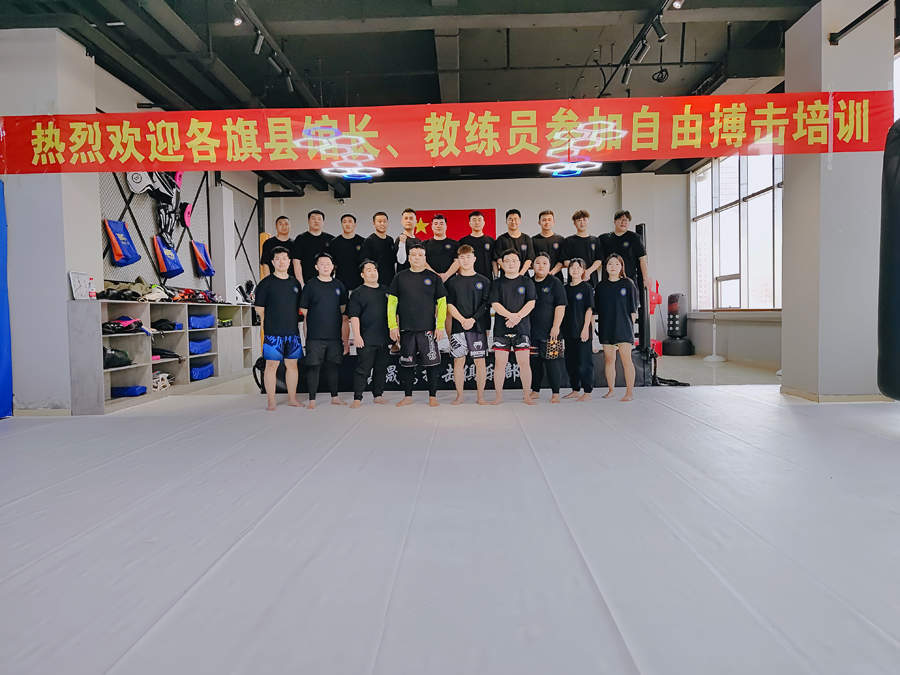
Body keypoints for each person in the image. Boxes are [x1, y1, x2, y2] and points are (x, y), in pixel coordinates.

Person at [387, 243, 447, 407]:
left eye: (420, 255)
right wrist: (393, 325)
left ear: (425, 258)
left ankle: (432, 397)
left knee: (432, 364)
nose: (417, 258)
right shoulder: (400, 277)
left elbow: (442, 303)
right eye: (414, 255)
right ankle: (408, 396)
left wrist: (440, 326)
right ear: (409, 257)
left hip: (428, 329)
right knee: (408, 364)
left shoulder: (433, 278)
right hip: (406, 329)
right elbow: (392, 303)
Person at [253, 247, 303, 411]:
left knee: (292, 365)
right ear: (273, 262)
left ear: (289, 261)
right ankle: (271, 401)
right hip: (273, 333)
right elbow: (260, 309)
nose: (281, 262)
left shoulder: (295, 283)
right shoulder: (266, 284)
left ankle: (292, 398)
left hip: (292, 332)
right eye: (278, 259)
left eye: (284, 258)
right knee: (271, 366)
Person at [299, 252, 348, 409]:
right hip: (315, 336)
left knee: (333, 366)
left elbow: (343, 310)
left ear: (333, 266)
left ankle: (335, 397)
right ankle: (312, 399)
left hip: (334, 336)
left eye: (328, 264)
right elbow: (304, 310)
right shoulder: (310, 285)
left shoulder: (338, 285)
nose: (325, 266)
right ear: (316, 267)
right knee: (314, 367)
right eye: (322, 264)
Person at [489, 250, 536, 405]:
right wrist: (510, 316)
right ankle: (498, 396)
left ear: (519, 263)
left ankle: (527, 396)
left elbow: (531, 303)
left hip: (522, 329)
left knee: (524, 363)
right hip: (501, 329)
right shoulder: (497, 283)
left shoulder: (526, 281)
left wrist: (517, 318)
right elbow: (495, 303)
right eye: (507, 261)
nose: (511, 264)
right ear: (502, 264)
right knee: (499, 364)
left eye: (514, 260)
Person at [446, 244, 491, 405]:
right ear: (458, 260)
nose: (465, 260)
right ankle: (460, 395)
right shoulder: (452, 282)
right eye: (462, 257)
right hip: (458, 327)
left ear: (474, 259)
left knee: (480, 362)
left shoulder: (484, 281)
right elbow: (449, 304)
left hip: (477, 327)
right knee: (458, 361)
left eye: (468, 257)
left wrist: (472, 320)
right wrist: (462, 320)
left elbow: (486, 305)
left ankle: (480, 396)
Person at [348, 260, 391, 408]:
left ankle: (378, 395)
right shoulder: (358, 293)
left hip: (384, 338)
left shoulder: (386, 291)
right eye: (369, 270)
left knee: (381, 369)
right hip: (366, 338)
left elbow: (393, 313)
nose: (373, 273)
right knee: (363, 369)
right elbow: (354, 316)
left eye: (374, 270)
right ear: (362, 274)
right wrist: (357, 336)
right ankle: (357, 398)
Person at [596, 253, 639, 401]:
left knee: (626, 360)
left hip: (623, 328)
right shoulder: (601, 286)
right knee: (609, 360)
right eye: (610, 264)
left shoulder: (628, 284)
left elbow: (633, 310)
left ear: (621, 267)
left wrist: (629, 327)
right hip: (606, 327)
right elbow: (597, 309)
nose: (613, 266)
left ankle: (629, 393)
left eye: (616, 264)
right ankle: (611, 390)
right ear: (605, 267)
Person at [529, 252, 567, 404]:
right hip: (531, 331)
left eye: (544, 263)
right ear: (533, 265)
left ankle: (555, 393)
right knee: (535, 362)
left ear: (549, 265)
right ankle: (535, 391)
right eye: (538, 263)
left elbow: (561, 306)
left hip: (551, 331)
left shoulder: (555, 282)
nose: (541, 266)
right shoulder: (528, 282)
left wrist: (556, 326)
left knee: (552, 362)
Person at [327, 213, 365, 354]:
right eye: (344, 221)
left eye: (350, 221)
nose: (347, 224)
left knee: (360, 317)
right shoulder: (335, 243)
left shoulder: (362, 242)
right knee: (343, 317)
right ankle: (345, 346)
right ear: (341, 224)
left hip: (359, 285)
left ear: (355, 224)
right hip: (341, 285)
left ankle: (361, 344)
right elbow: (332, 266)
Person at [561, 258, 595, 402]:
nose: (575, 270)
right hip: (568, 331)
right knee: (571, 362)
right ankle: (575, 389)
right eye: (572, 267)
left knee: (585, 362)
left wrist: (586, 328)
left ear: (583, 270)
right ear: (568, 270)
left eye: (578, 267)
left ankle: (587, 391)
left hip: (582, 331)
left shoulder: (586, 288)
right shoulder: (565, 288)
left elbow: (589, 309)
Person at [599, 209, 651, 288]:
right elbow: (598, 260)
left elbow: (642, 258)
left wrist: (646, 278)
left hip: (629, 280)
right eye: (620, 220)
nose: (623, 223)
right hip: (608, 281)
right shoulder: (604, 239)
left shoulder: (634, 238)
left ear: (629, 223)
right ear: (614, 221)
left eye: (626, 220)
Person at [291, 209, 335, 284]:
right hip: (306, 281)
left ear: (323, 222)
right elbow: (296, 261)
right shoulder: (301, 239)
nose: (316, 221)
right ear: (308, 221)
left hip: (327, 282)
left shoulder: (331, 239)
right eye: (313, 218)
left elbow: (335, 263)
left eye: (319, 219)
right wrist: (301, 283)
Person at [564, 210, 604, 285]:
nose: (582, 223)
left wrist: (588, 272)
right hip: (574, 279)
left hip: (591, 278)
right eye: (579, 220)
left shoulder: (595, 240)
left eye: (584, 220)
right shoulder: (568, 241)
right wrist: (579, 271)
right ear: (574, 223)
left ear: (588, 221)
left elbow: (599, 260)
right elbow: (566, 261)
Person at [360, 211, 397, 287]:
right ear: (374, 223)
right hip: (376, 281)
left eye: (384, 221)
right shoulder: (369, 241)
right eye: (379, 221)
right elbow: (365, 261)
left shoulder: (390, 240)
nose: (382, 224)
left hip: (390, 280)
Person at [494, 209, 535, 276]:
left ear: (520, 221)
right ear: (506, 221)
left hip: (523, 276)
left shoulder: (526, 238)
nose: (513, 222)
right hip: (506, 276)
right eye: (510, 219)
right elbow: (499, 259)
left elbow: (529, 258)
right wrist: (510, 272)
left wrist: (520, 274)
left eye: (516, 219)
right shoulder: (501, 239)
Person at [458, 210, 496, 279]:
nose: (477, 222)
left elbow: (494, 261)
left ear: (483, 223)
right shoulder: (462, 241)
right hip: (468, 278)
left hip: (487, 278)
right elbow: (459, 262)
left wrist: (496, 276)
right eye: (474, 220)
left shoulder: (491, 241)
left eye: (479, 220)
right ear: (470, 223)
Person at [423, 214, 460, 282]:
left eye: (441, 223)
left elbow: (457, 261)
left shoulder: (455, 244)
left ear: (446, 226)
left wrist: (446, 275)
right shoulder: (424, 244)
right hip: (430, 280)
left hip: (450, 281)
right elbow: (422, 261)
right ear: (432, 226)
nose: (438, 226)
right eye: (436, 223)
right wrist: (435, 275)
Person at [531, 210, 565, 281]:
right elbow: (532, 260)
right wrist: (541, 273)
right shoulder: (533, 240)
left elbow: (562, 260)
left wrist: (552, 273)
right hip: (539, 277)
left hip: (557, 277)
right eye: (544, 220)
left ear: (553, 222)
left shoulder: (560, 239)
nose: (547, 222)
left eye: (549, 220)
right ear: (539, 222)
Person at [395, 207, 424, 273]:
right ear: (402, 222)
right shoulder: (399, 240)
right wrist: (402, 243)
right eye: (406, 218)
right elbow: (401, 261)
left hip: (418, 275)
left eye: (411, 218)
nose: (408, 221)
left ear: (416, 222)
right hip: (404, 276)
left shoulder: (419, 241)